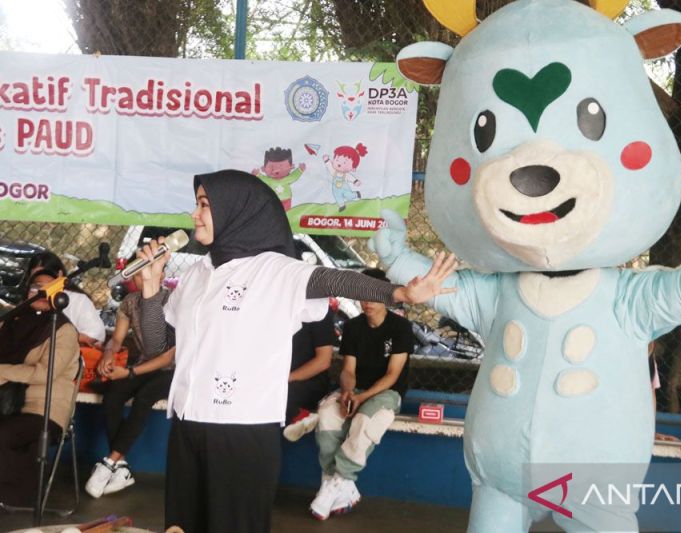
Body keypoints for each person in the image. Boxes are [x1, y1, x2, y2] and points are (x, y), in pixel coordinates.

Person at [137, 169, 456, 533]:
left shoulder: (275, 270)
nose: (195, 214)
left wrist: (396, 294)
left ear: (236, 211)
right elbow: (156, 347)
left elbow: (332, 278)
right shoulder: (197, 273)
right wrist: (150, 289)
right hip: (186, 425)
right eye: (197, 204)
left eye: (205, 205)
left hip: (241, 432)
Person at [309, 267, 415, 520]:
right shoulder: (354, 327)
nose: (367, 302)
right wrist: (347, 392)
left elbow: (392, 376)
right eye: (362, 296)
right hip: (355, 389)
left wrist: (361, 398)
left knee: (364, 421)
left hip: (386, 392)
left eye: (373, 296)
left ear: (386, 297)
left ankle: (339, 479)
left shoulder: (400, 328)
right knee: (327, 414)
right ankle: (336, 483)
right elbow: (348, 370)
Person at [84, 268, 175, 498]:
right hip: (144, 364)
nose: (142, 278)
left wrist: (129, 372)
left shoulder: (172, 300)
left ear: (162, 276)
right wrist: (108, 354)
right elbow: (116, 339)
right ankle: (121, 466)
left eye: (150, 272)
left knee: (144, 398)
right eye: (137, 274)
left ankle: (108, 463)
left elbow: (168, 357)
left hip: (175, 370)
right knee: (113, 395)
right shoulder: (130, 302)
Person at [0, 269, 80, 506]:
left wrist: (2, 372)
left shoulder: (63, 330)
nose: (42, 293)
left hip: (44, 410)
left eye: (49, 288)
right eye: (36, 287)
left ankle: (19, 493)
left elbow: (44, 373)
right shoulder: (15, 323)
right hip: (10, 404)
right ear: (28, 292)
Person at [28, 251, 106, 346]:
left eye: (43, 276)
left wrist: (57, 337)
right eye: (34, 277)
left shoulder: (77, 299)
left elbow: (94, 335)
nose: (39, 283)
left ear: (59, 275)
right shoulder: (31, 298)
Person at [282, 310, 335, 442]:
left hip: (311, 383)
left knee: (278, 394)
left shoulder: (320, 311)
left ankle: (300, 415)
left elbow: (323, 361)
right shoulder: (279, 307)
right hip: (279, 380)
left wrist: (284, 379)